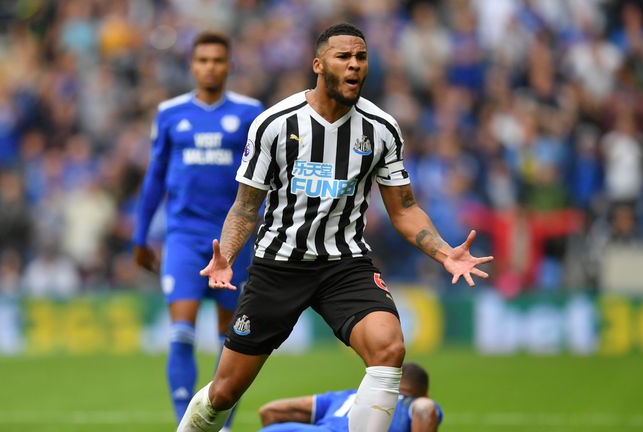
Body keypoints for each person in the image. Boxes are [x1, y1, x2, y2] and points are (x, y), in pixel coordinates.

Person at [179, 23, 491, 432]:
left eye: (361, 57)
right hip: (278, 266)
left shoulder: (381, 129)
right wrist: (227, 259)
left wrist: (443, 251)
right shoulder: (274, 124)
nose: (354, 65)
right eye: (344, 57)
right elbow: (245, 207)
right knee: (224, 392)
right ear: (318, 64)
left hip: (344, 265)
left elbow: (404, 209)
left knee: (389, 348)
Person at [132, 31, 263, 428]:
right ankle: (184, 425)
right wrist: (140, 237)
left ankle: (221, 425)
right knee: (181, 332)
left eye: (217, 60)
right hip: (184, 237)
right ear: (192, 65)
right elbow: (155, 178)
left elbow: (264, 178)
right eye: (203, 60)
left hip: (233, 239)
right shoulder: (170, 113)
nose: (210, 66)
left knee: (233, 340)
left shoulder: (249, 112)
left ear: (228, 65)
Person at [258, 362, 443, 432]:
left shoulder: (349, 395)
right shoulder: (412, 403)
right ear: (424, 393)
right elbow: (424, 409)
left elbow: (270, 412)